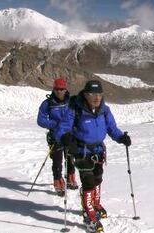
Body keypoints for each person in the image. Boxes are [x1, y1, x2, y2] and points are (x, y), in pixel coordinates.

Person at [56, 80, 131, 233]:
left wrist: (121, 137)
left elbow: (112, 128)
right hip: (82, 151)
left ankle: (95, 204)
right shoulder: (74, 108)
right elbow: (62, 128)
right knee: (89, 181)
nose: (96, 98)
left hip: (98, 151)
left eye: (99, 94)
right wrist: (65, 138)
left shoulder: (105, 110)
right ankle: (89, 215)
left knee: (98, 178)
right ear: (85, 94)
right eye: (92, 94)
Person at [37, 78, 79, 196]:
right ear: (53, 89)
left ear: (66, 89)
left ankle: (71, 178)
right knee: (57, 160)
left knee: (70, 158)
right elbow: (40, 120)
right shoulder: (47, 103)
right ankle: (58, 181)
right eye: (57, 89)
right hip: (55, 136)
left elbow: (77, 115)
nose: (59, 91)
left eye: (62, 89)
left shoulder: (71, 102)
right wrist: (55, 125)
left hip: (70, 135)